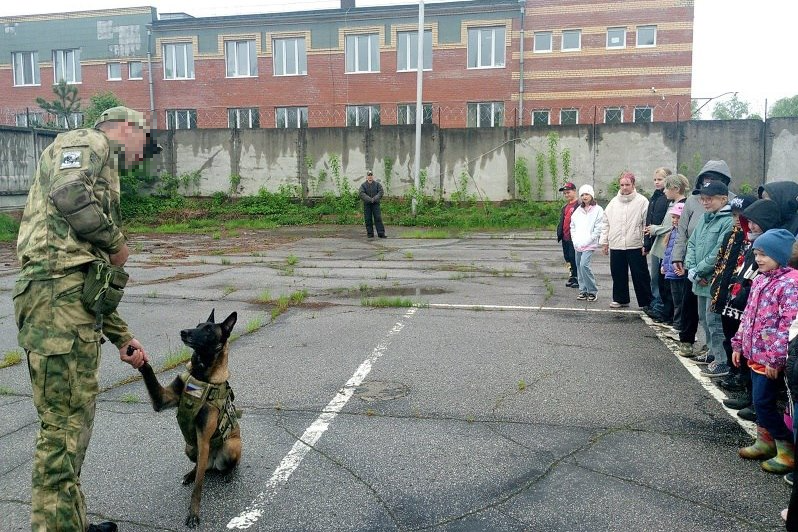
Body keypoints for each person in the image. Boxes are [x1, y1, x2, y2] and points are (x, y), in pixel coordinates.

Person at [14, 107, 154, 532]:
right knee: (62, 431)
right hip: (57, 302)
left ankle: (68, 522)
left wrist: (121, 337)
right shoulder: (90, 141)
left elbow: (85, 278)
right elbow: (69, 191)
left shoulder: (100, 162)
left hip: (66, 300)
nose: (140, 156)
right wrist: (116, 244)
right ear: (127, 128)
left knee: (69, 426)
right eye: (143, 145)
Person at [732, 229, 798, 476]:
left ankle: (786, 448)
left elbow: (788, 326)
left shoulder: (791, 283)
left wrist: (776, 358)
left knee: (763, 403)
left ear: (780, 255)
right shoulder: (760, 279)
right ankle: (765, 442)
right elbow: (748, 316)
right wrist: (738, 343)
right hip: (754, 354)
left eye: (764, 255)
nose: (758, 259)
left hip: (770, 358)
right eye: (757, 253)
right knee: (760, 402)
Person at [671, 160, 734, 358]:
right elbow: (684, 233)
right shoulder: (692, 200)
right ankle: (687, 340)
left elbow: (721, 248)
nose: (705, 200)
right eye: (706, 178)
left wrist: (701, 270)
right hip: (693, 267)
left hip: (711, 272)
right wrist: (680, 259)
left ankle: (715, 351)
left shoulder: (731, 203)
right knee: (691, 307)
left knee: (712, 316)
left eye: (714, 178)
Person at [685, 181, 734, 378]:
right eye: (702, 199)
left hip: (713, 281)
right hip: (700, 279)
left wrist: (700, 270)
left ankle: (722, 360)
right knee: (704, 319)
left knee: (715, 322)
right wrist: (692, 268)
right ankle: (712, 352)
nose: (705, 202)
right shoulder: (705, 218)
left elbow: (718, 252)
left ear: (723, 199)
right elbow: (693, 243)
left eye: (709, 198)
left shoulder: (727, 221)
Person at [709, 195, 756, 390]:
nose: (737, 219)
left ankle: (742, 377)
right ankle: (732, 370)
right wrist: (716, 286)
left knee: (741, 338)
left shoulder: (752, 240)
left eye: (741, 215)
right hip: (726, 295)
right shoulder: (731, 235)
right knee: (729, 336)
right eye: (734, 215)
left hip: (742, 298)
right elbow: (721, 261)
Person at [599, 172, 652, 309]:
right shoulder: (613, 203)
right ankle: (620, 299)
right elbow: (606, 223)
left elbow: (646, 223)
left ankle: (646, 301)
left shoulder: (642, 201)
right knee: (618, 273)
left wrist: (645, 243)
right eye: (622, 185)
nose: (624, 187)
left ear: (633, 185)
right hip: (616, 244)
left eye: (627, 184)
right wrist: (604, 242)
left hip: (635, 244)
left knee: (640, 274)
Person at [643, 167, 673, 321]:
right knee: (654, 275)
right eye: (655, 179)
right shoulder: (654, 197)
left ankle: (661, 304)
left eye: (660, 179)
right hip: (654, 240)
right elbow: (649, 220)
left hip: (664, 240)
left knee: (661, 276)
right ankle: (656, 302)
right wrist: (646, 243)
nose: (656, 182)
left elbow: (668, 222)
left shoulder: (669, 198)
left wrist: (656, 231)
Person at [661, 202, 688, 351]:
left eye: (678, 217)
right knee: (676, 300)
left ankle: (680, 326)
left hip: (678, 273)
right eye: (673, 217)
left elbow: (683, 253)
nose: (675, 220)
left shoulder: (683, 233)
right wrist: (664, 265)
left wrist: (682, 267)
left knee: (681, 302)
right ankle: (677, 325)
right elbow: (668, 252)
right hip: (671, 272)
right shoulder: (672, 231)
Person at [570, 184, 604, 302]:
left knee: (584, 265)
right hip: (578, 244)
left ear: (592, 195)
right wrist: (575, 240)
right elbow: (572, 226)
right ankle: (583, 290)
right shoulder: (578, 211)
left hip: (589, 243)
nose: (584, 197)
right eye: (582, 194)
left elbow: (598, 228)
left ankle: (592, 290)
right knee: (579, 266)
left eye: (587, 194)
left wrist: (589, 239)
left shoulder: (598, 210)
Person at [556, 182, 579, 288]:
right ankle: (571, 275)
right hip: (565, 237)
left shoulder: (579, 205)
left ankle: (577, 278)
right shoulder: (565, 207)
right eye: (564, 193)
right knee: (567, 258)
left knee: (574, 257)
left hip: (574, 238)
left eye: (568, 192)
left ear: (574, 191)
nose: (566, 195)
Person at [359, 170, 386, 239]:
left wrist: (374, 199)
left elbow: (381, 192)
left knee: (378, 218)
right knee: (368, 219)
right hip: (367, 205)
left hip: (376, 204)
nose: (370, 176)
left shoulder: (377, 184)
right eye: (369, 175)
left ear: (372, 176)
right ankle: (370, 234)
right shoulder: (363, 185)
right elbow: (362, 194)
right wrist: (369, 199)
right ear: (366, 176)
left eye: (371, 175)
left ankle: (381, 233)